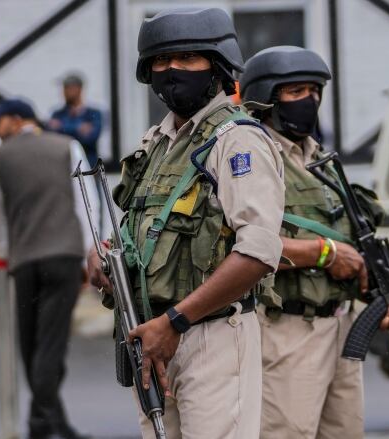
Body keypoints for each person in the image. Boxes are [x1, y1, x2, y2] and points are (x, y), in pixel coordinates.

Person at [87, 8, 284, 439]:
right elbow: (143, 234)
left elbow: (258, 253)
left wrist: (175, 321)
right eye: (160, 61)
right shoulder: (158, 144)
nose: (171, 70)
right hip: (152, 339)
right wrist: (106, 257)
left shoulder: (238, 141)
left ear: (216, 65)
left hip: (210, 334)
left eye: (188, 58)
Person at [240, 46, 389, 438]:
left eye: (314, 91)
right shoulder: (253, 156)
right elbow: (242, 244)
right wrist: (324, 254)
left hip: (341, 326)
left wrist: (387, 298)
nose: (309, 101)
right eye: (296, 91)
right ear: (266, 97)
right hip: (289, 329)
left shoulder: (319, 159)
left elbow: (355, 241)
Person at [0, 98, 97, 439]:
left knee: (32, 346)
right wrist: (87, 257)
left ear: (17, 120)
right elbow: (86, 202)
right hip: (63, 257)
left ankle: (51, 423)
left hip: (23, 262)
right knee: (50, 345)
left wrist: (8, 252)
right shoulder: (68, 146)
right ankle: (42, 423)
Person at [48, 74, 103, 166]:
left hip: (88, 167)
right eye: (64, 88)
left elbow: (91, 138)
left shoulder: (93, 113)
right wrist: (79, 127)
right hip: (64, 166)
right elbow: (52, 138)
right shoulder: (57, 114)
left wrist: (61, 126)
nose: (64, 92)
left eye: (68, 87)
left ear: (79, 89)